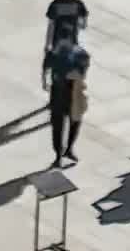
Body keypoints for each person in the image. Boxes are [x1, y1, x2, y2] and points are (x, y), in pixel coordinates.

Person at [47, 35, 89, 167]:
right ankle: (59, 154)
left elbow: (81, 72)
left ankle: (68, 150)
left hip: (72, 93)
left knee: (74, 122)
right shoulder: (55, 54)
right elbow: (48, 67)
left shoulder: (79, 54)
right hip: (60, 94)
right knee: (58, 126)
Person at [44, 0, 88, 83]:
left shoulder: (55, 4)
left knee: (53, 68)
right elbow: (83, 25)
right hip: (72, 43)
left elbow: (50, 26)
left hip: (57, 45)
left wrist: (47, 45)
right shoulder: (78, 4)